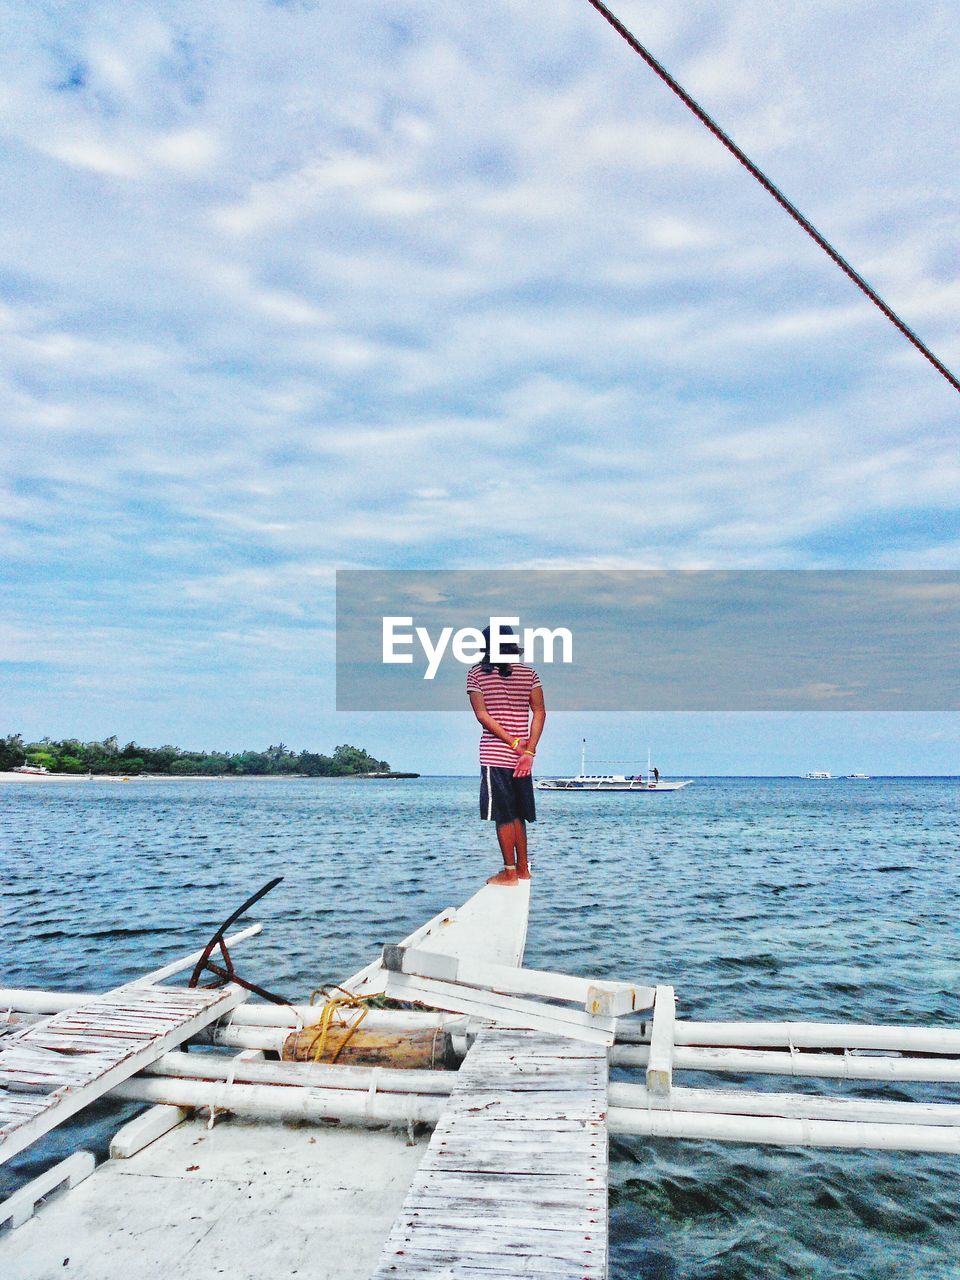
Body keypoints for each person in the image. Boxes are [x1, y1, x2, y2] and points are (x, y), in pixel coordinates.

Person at [466, 625, 546, 885]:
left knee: (504, 815)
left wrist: (513, 744)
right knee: (518, 814)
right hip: (523, 758)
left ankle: (509, 872)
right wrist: (529, 750)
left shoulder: (476, 674)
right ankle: (523, 868)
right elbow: (540, 712)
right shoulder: (529, 674)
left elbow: (482, 716)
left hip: (495, 755)